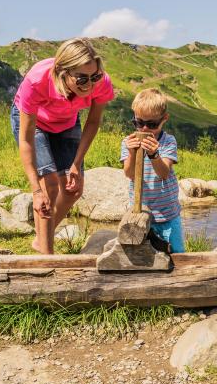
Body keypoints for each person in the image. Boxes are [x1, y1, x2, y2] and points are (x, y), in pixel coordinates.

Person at [11, 38, 115, 254]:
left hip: (66, 123)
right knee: (49, 185)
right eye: (82, 78)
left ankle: (41, 240)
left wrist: (76, 163)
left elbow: (93, 122)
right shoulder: (37, 80)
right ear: (63, 73)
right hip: (35, 123)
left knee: (72, 189)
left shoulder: (101, 82)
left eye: (94, 76)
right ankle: (47, 259)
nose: (90, 84)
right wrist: (36, 190)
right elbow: (26, 140)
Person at [120, 88, 183, 253]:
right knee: (141, 256)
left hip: (167, 214)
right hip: (141, 212)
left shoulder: (168, 141)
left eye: (152, 124)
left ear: (164, 119)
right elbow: (128, 174)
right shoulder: (128, 141)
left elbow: (163, 173)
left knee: (176, 254)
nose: (145, 129)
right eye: (139, 123)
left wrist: (154, 154)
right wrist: (132, 153)